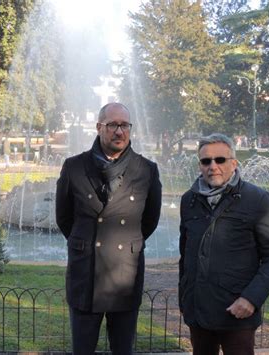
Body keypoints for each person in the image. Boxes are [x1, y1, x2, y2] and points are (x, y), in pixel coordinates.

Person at [56, 102, 162, 355]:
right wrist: (85, 243)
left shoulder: (146, 169)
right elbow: (64, 218)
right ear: (99, 127)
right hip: (86, 274)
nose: (119, 131)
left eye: (124, 125)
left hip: (125, 274)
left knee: (123, 350)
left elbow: (150, 221)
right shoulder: (74, 167)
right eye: (112, 124)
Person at [178, 133, 269, 355]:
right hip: (198, 312)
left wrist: (251, 299)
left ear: (234, 163)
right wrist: (185, 297)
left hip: (237, 312)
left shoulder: (257, 199)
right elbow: (186, 252)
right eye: (206, 161)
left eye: (220, 160)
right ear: (200, 165)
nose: (213, 166)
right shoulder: (189, 200)